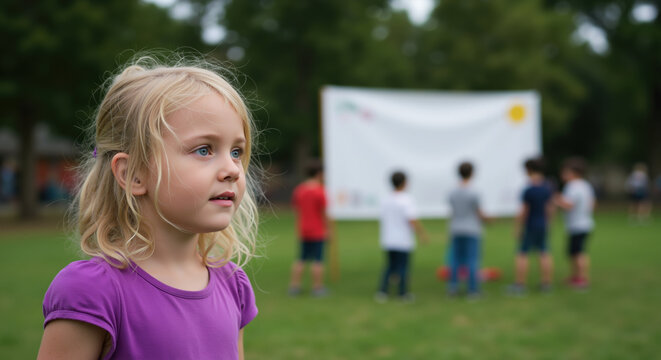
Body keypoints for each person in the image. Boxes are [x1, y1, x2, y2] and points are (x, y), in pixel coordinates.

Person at [38, 58, 260, 359]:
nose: (232, 169)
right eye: (204, 150)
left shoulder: (233, 285)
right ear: (133, 174)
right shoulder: (92, 290)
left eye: (237, 151)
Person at [375, 171, 428, 303]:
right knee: (403, 267)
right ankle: (402, 293)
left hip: (388, 238)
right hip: (402, 240)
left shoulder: (386, 199)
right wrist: (421, 234)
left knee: (390, 266)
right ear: (404, 183)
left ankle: (382, 291)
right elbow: (412, 219)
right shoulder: (406, 200)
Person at [509, 158, 554, 295]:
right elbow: (550, 208)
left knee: (522, 253)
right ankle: (546, 284)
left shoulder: (528, 189)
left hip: (530, 225)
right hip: (543, 224)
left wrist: (517, 227)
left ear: (529, 170)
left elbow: (524, 211)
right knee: (544, 252)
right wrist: (548, 223)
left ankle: (520, 285)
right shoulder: (547, 187)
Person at [288, 160, 331, 297]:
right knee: (318, 260)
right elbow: (324, 213)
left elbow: (297, 210)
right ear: (319, 173)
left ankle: (294, 286)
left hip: (303, 229)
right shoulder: (320, 191)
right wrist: (328, 229)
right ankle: (317, 288)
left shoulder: (299, 190)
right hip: (318, 230)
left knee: (301, 258)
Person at [447, 162, 488, 299]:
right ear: (472, 173)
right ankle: (472, 290)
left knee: (455, 259)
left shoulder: (452, 191)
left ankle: (453, 287)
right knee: (472, 260)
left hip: (455, 228)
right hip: (471, 229)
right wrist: (488, 220)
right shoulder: (474, 192)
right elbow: (478, 212)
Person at [554, 157, 595, 290]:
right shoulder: (585, 185)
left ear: (573, 172)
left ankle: (582, 279)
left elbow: (569, 205)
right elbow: (592, 203)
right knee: (574, 252)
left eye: (565, 171)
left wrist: (557, 200)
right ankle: (575, 277)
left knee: (578, 253)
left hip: (577, 225)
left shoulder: (572, 186)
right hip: (585, 223)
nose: (563, 175)